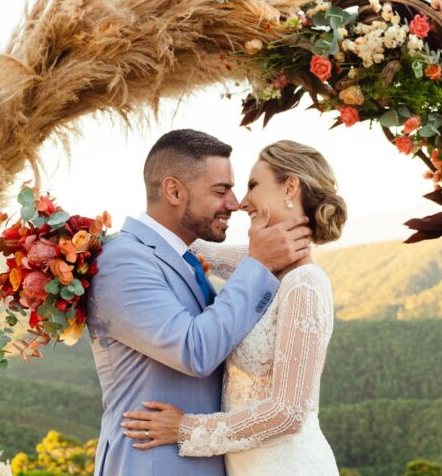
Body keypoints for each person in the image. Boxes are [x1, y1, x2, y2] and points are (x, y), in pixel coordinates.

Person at [86, 130, 312, 476]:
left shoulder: (181, 256)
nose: (235, 203)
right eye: (221, 191)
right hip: (151, 464)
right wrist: (260, 264)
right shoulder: (122, 261)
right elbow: (195, 349)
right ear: (174, 191)